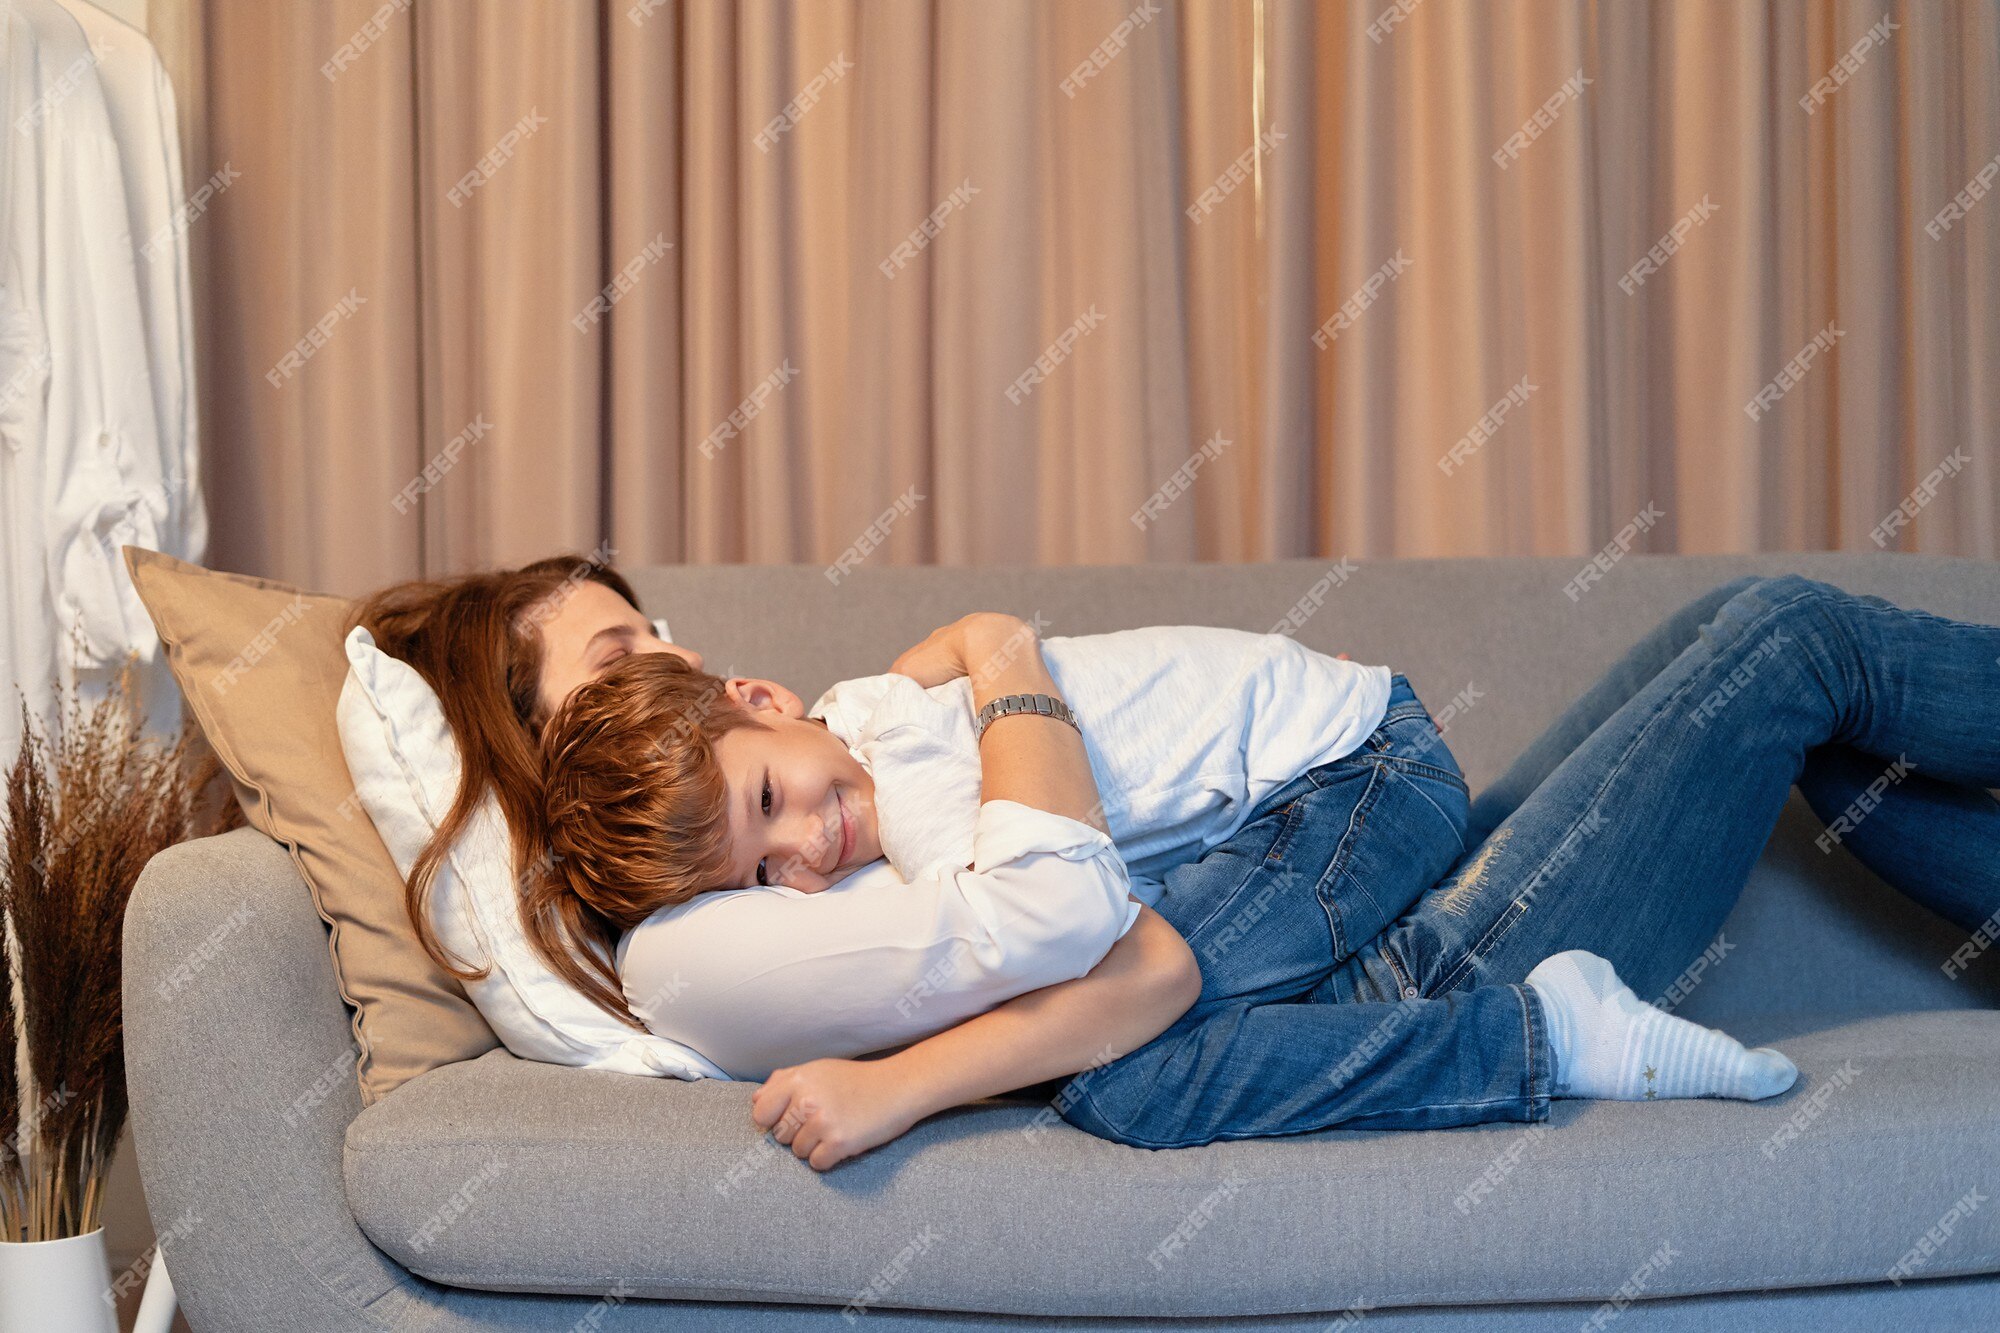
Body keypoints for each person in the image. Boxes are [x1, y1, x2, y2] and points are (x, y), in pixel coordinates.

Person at [349, 554, 1205, 1166]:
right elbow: (1138, 957)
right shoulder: (687, 945)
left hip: (1271, 797)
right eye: (617, 657)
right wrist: (996, 640)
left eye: (657, 636)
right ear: (535, 744)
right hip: (1201, 907)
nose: (682, 661)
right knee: (1131, 1087)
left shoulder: (825, 760)